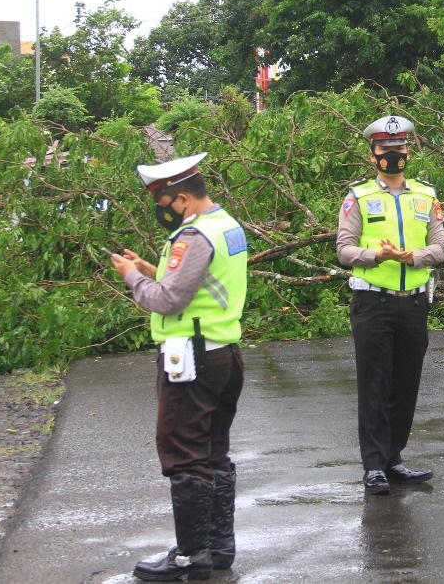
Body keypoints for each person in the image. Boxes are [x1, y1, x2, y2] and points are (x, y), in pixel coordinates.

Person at [109, 152, 249, 580]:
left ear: (183, 198)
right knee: (213, 451)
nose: (161, 213)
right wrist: (152, 269)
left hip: (191, 357)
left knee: (183, 454)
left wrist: (132, 277)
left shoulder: (194, 236)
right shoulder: (227, 225)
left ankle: (191, 555)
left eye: (164, 205)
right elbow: (205, 282)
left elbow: (167, 300)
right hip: (224, 352)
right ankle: (218, 546)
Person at [336, 115, 444, 495]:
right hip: (373, 303)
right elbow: (344, 249)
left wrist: (413, 256)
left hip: (414, 304)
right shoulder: (359, 197)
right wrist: (376, 256)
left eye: (399, 149)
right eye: (386, 150)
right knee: (375, 385)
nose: (394, 155)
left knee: (406, 384)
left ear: (409, 151)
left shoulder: (426, 196)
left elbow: (440, 247)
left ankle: (394, 459)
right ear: (373, 155)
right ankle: (373, 466)